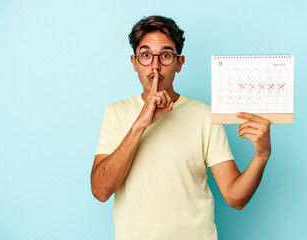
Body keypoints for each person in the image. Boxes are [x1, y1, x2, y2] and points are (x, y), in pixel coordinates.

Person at [90, 15, 271, 240]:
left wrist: (261, 156)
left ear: (179, 63)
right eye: (146, 55)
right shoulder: (115, 113)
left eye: (165, 55)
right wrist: (140, 125)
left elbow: (236, 199)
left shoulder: (204, 115)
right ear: (134, 62)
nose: (155, 66)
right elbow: (100, 191)